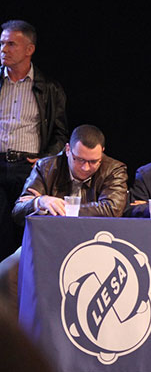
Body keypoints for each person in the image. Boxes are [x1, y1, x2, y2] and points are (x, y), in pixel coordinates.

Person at [1, 124, 127, 316]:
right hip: (47, 243)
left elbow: (113, 209)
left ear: (102, 153)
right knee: (5, 273)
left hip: (94, 245)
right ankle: (16, 340)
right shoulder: (46, 166)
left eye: (93, 162)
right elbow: (18, 212)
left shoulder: (114, 169)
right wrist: (39, 201)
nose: (86, 167)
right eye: (79, 160)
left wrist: (64, 208)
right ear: (68, 150)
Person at [0, 20, 68, 259]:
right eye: (2, 43)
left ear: (29, 49)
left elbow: (60, 134)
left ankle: (20, 289)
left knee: (24, 231)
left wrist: (44, 161)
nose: (4, 49)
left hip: (27, 169)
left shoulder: (49, 88)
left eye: (11, 44)